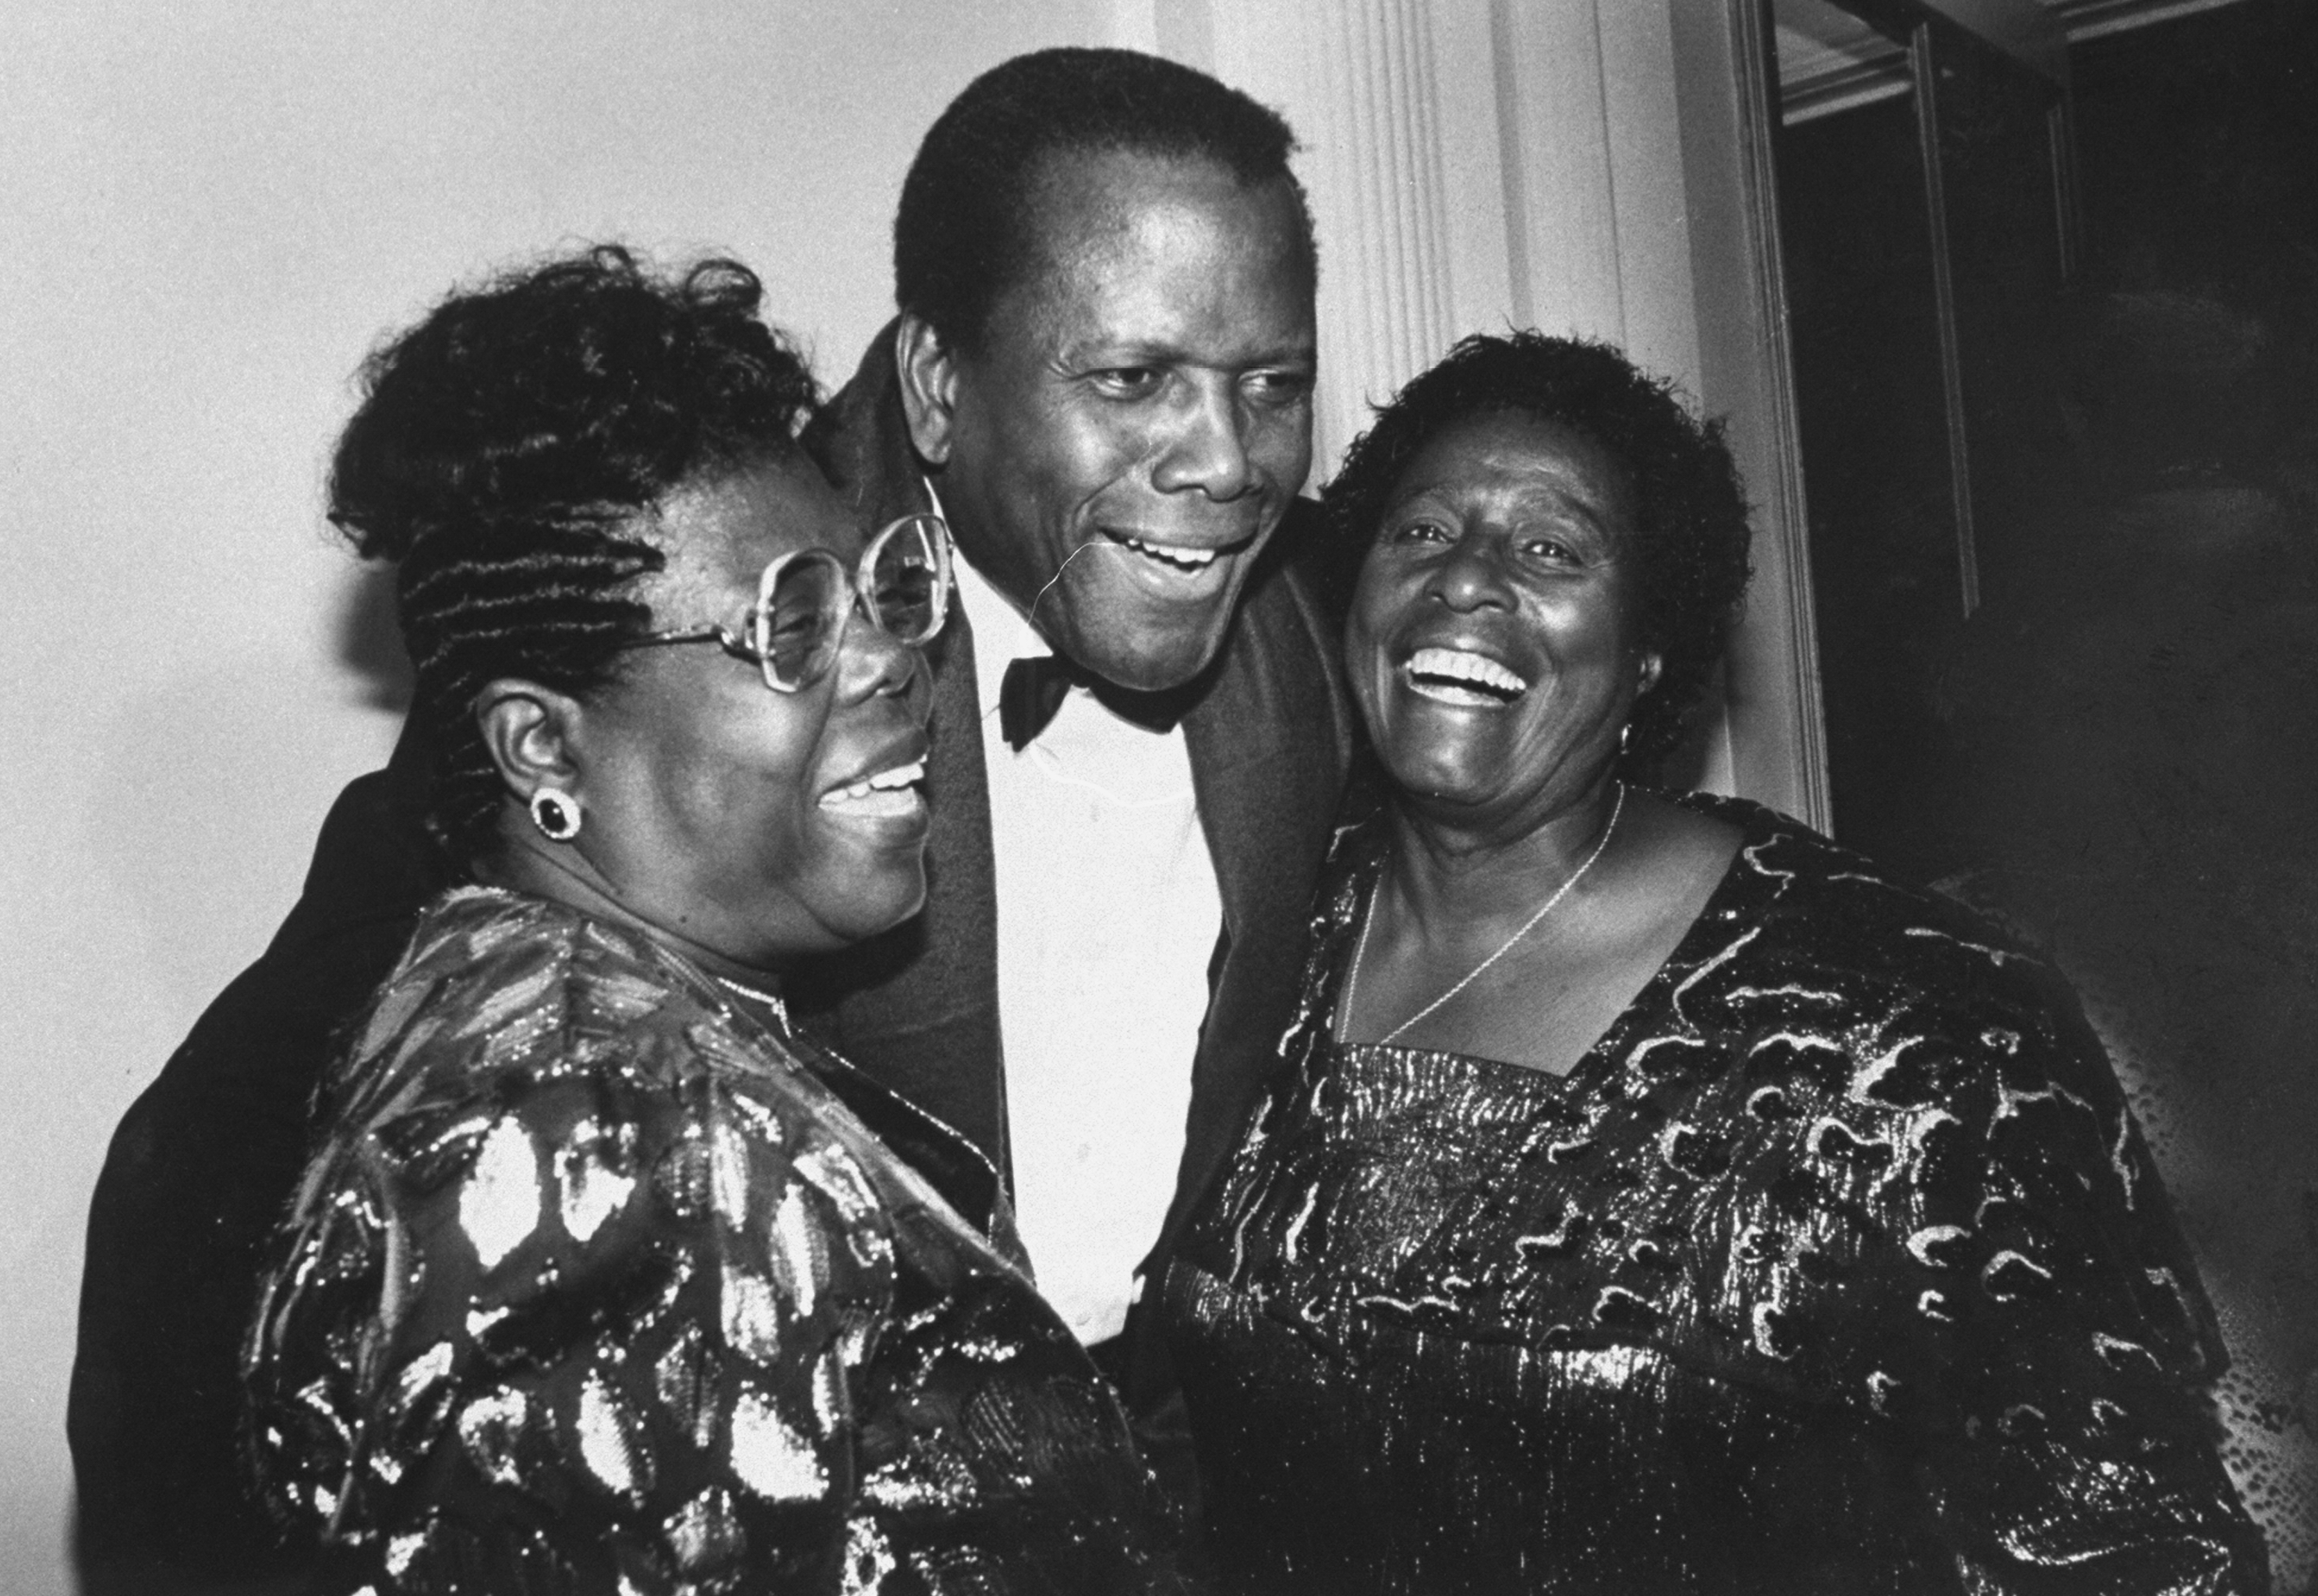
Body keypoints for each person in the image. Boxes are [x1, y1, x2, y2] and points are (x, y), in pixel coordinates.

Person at [72, 46, 1349, 1591]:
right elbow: (207, 1233)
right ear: (937, 386)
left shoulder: (1321, 639)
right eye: (1130, 378)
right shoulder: (636, 613)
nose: (1221, 459)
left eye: (1270, 386)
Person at [1160, 330, 2268, 1593]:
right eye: (1419, 533)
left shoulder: (1914, 1028)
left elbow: (2136, 1555)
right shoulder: (1255, 943)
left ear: (1645, 655)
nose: (1466, 581)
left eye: (1552, 550)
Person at [237, 247, 1182, 1594]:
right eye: (790, 624)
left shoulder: (568, 1026)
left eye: (876, 593)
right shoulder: (593, 1147)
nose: (890, 661)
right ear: (542, 751)